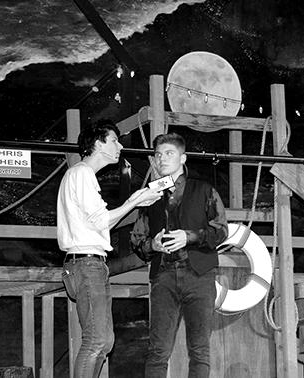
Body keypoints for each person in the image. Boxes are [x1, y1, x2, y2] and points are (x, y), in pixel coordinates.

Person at [57, 119, 163, 378]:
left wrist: (137, 201)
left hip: (90, 263)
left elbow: (99, 220)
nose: (119, 146)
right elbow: (102, 220)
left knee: (104, 341)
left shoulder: (82, 176)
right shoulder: (81, 173)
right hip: (86, 263)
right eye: (114, 140)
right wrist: (134, 201)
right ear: (97, 144)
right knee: (95, 341)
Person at [130, 132, 229, 378]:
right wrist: (152, 245)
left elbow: (222, 231)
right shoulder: (150, 195)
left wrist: (191, 236)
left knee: (199, 350)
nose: (162, 158)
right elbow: (137, 239)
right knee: (157, 351)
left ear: (183, 158)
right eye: (158, 154)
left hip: (199, 275)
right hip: (163, 278)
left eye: (169, 153)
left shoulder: (204, 190)